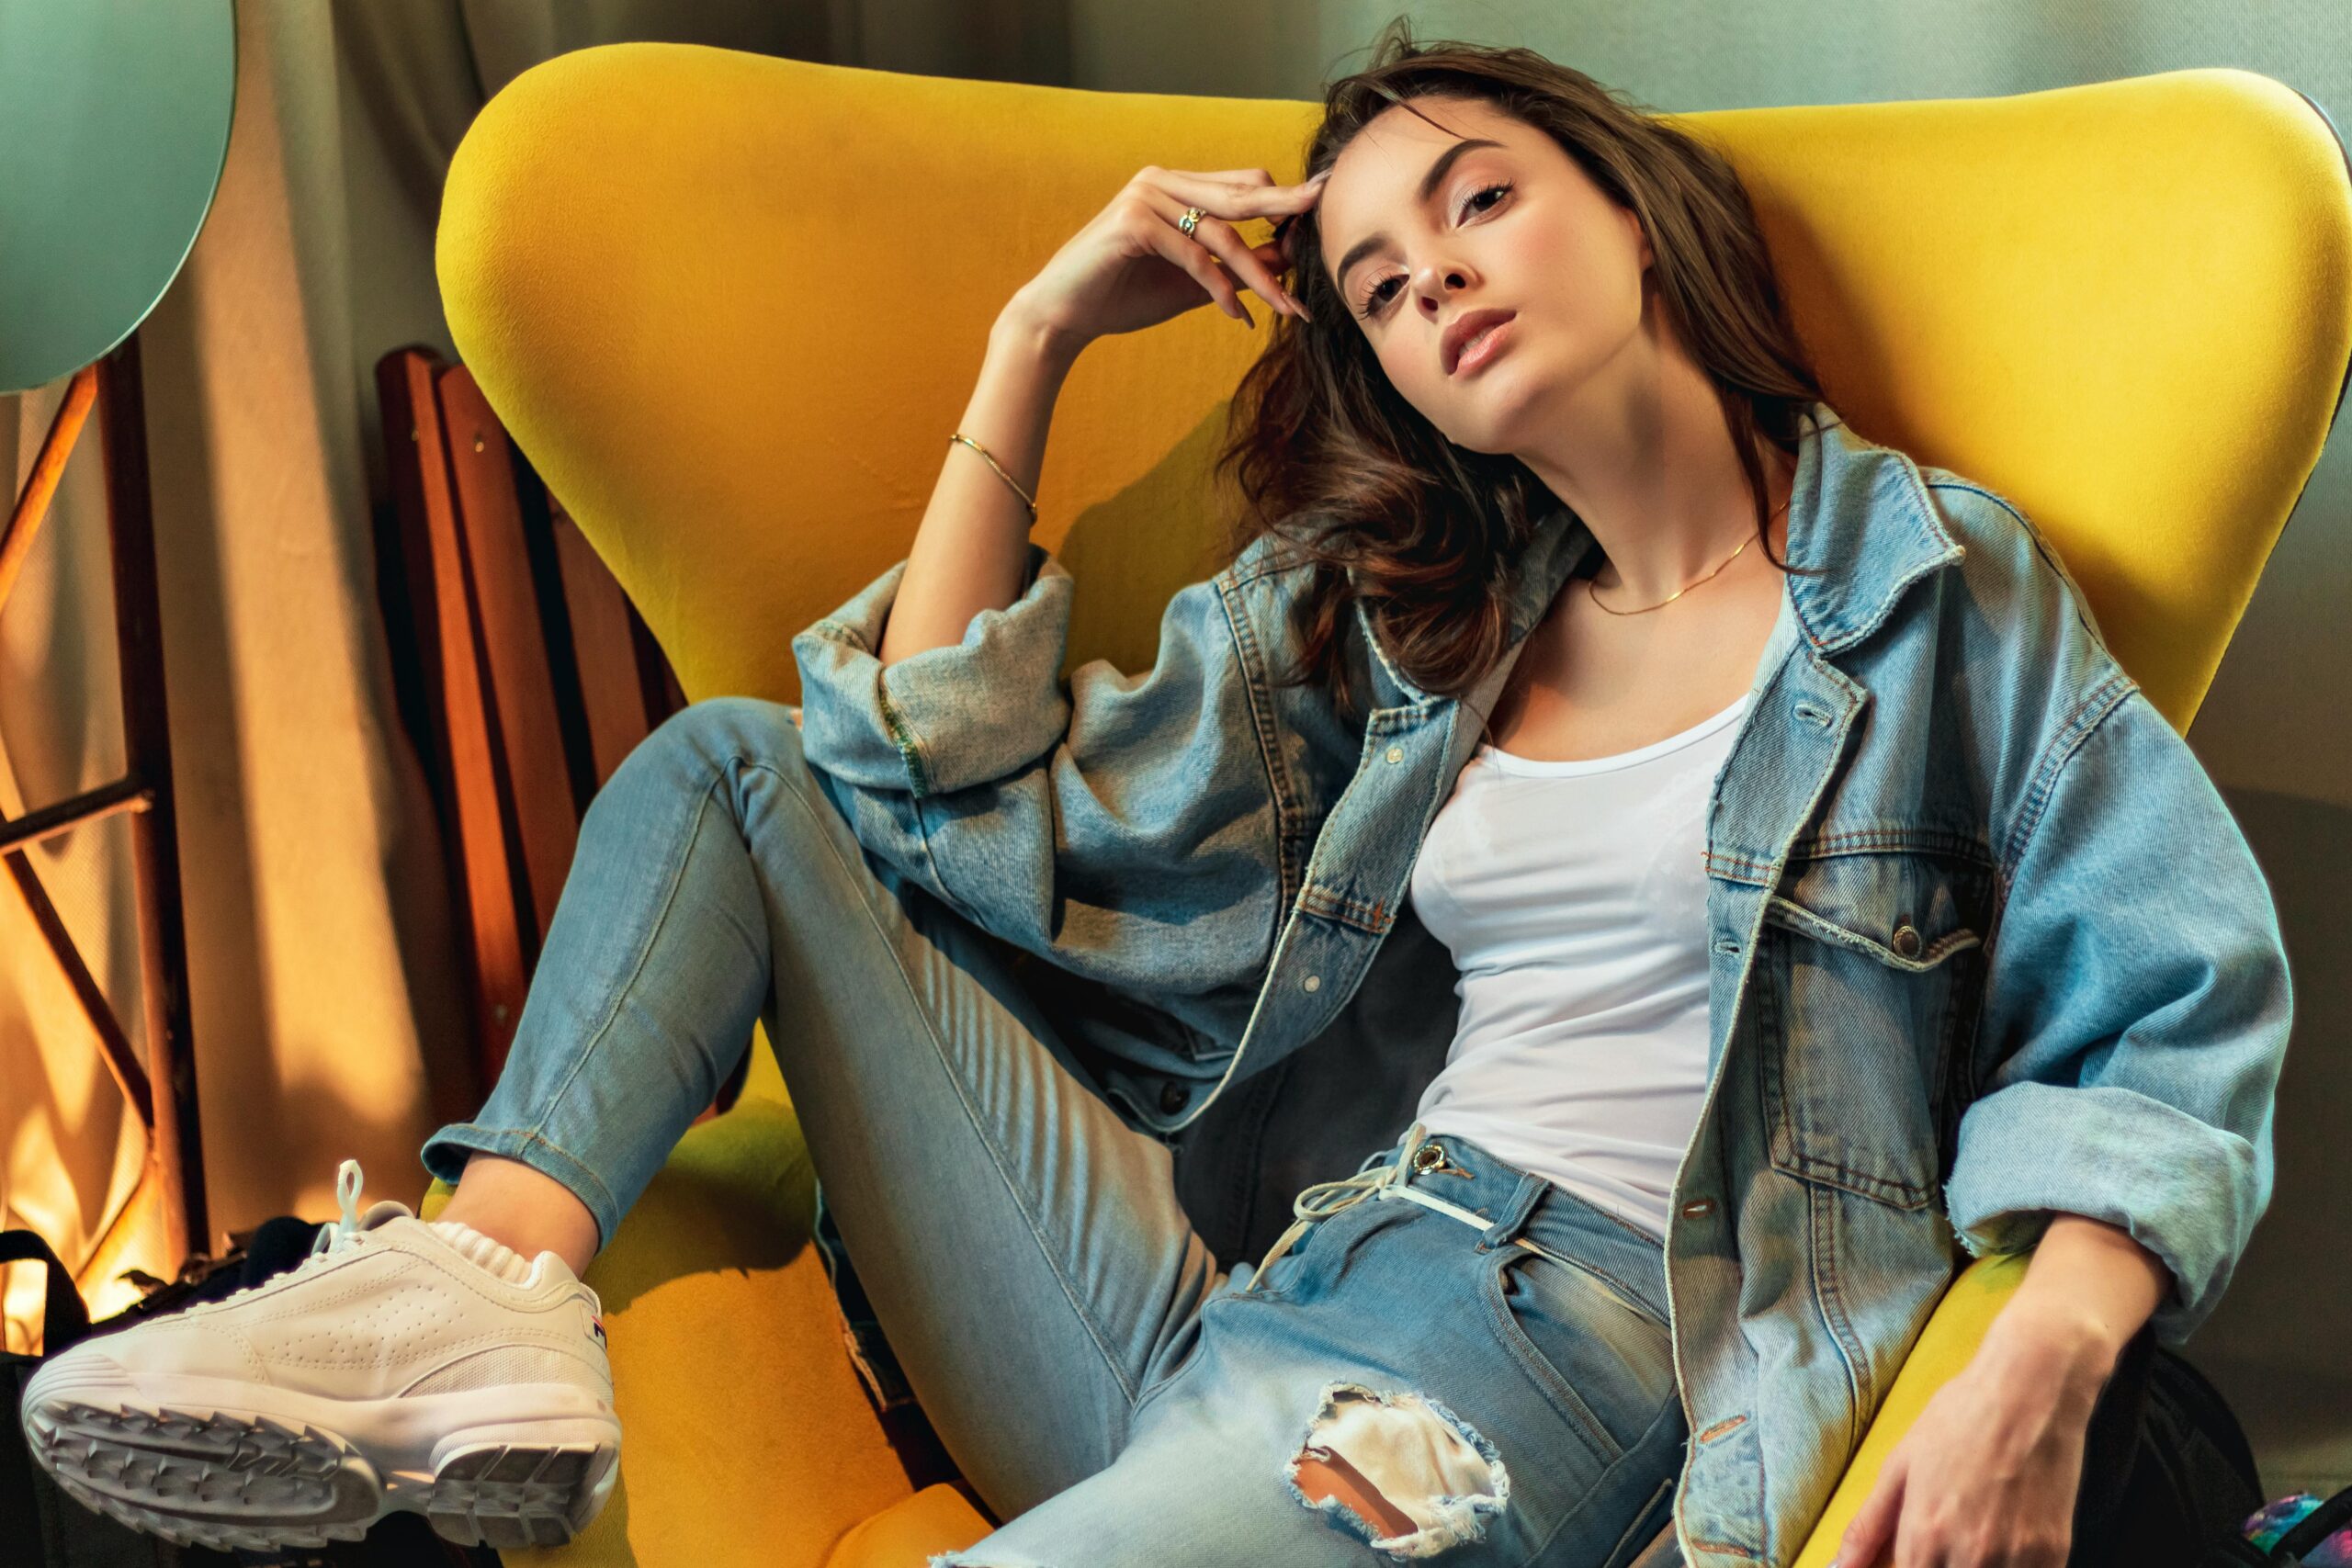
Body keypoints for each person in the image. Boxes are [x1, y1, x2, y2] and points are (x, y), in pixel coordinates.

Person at [20, 17, 2291, 1567]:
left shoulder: (1918, 589)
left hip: (1542, 1345)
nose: (1433, 287)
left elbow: (2168, 993)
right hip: (1216, 1295)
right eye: (1379, 285)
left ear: (1626, 197)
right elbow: (919, 777)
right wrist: (1036, 333)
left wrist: (2061, 1337)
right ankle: (480, 1282)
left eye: (1479, 205)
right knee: (729, 770)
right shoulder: (1407, 615)